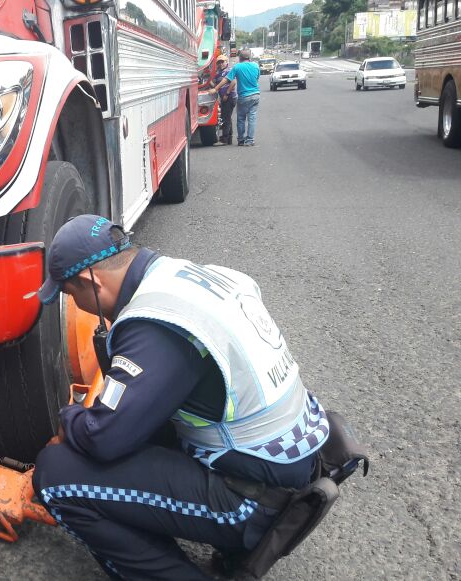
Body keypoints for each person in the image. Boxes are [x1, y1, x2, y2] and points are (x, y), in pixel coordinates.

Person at [33, 215, 330, 580]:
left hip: (256, 500)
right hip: (292, 459)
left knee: (57, 472)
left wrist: (70, 418)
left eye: (70, 294)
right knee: (141, 420)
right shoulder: (184, 276)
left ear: (89, 282)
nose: (76, 304)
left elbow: (103, 438)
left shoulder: (155, 322)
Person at [210, 52, 260, 146]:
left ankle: (241, 140)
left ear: (240, 58)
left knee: (241, 118)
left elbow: (227, 79)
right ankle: (250, 140)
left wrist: (215, 89)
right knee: (252, 118)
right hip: (256, 94)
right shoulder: (256, 66)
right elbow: (257, 78)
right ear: (249, 57)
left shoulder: (237, 67)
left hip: (244, 96)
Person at [211, 54, 236, 146]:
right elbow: (214, 85)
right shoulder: (218, 74)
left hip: (229, 97)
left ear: (227, 62)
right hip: (223, 98)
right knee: (227, 117)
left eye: (222, 62)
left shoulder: (229, 71)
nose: (221, 64)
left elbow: (233, 82)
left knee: (226, 118)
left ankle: (225, 139)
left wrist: (227, 93)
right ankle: (228, 138)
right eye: (219, 62)